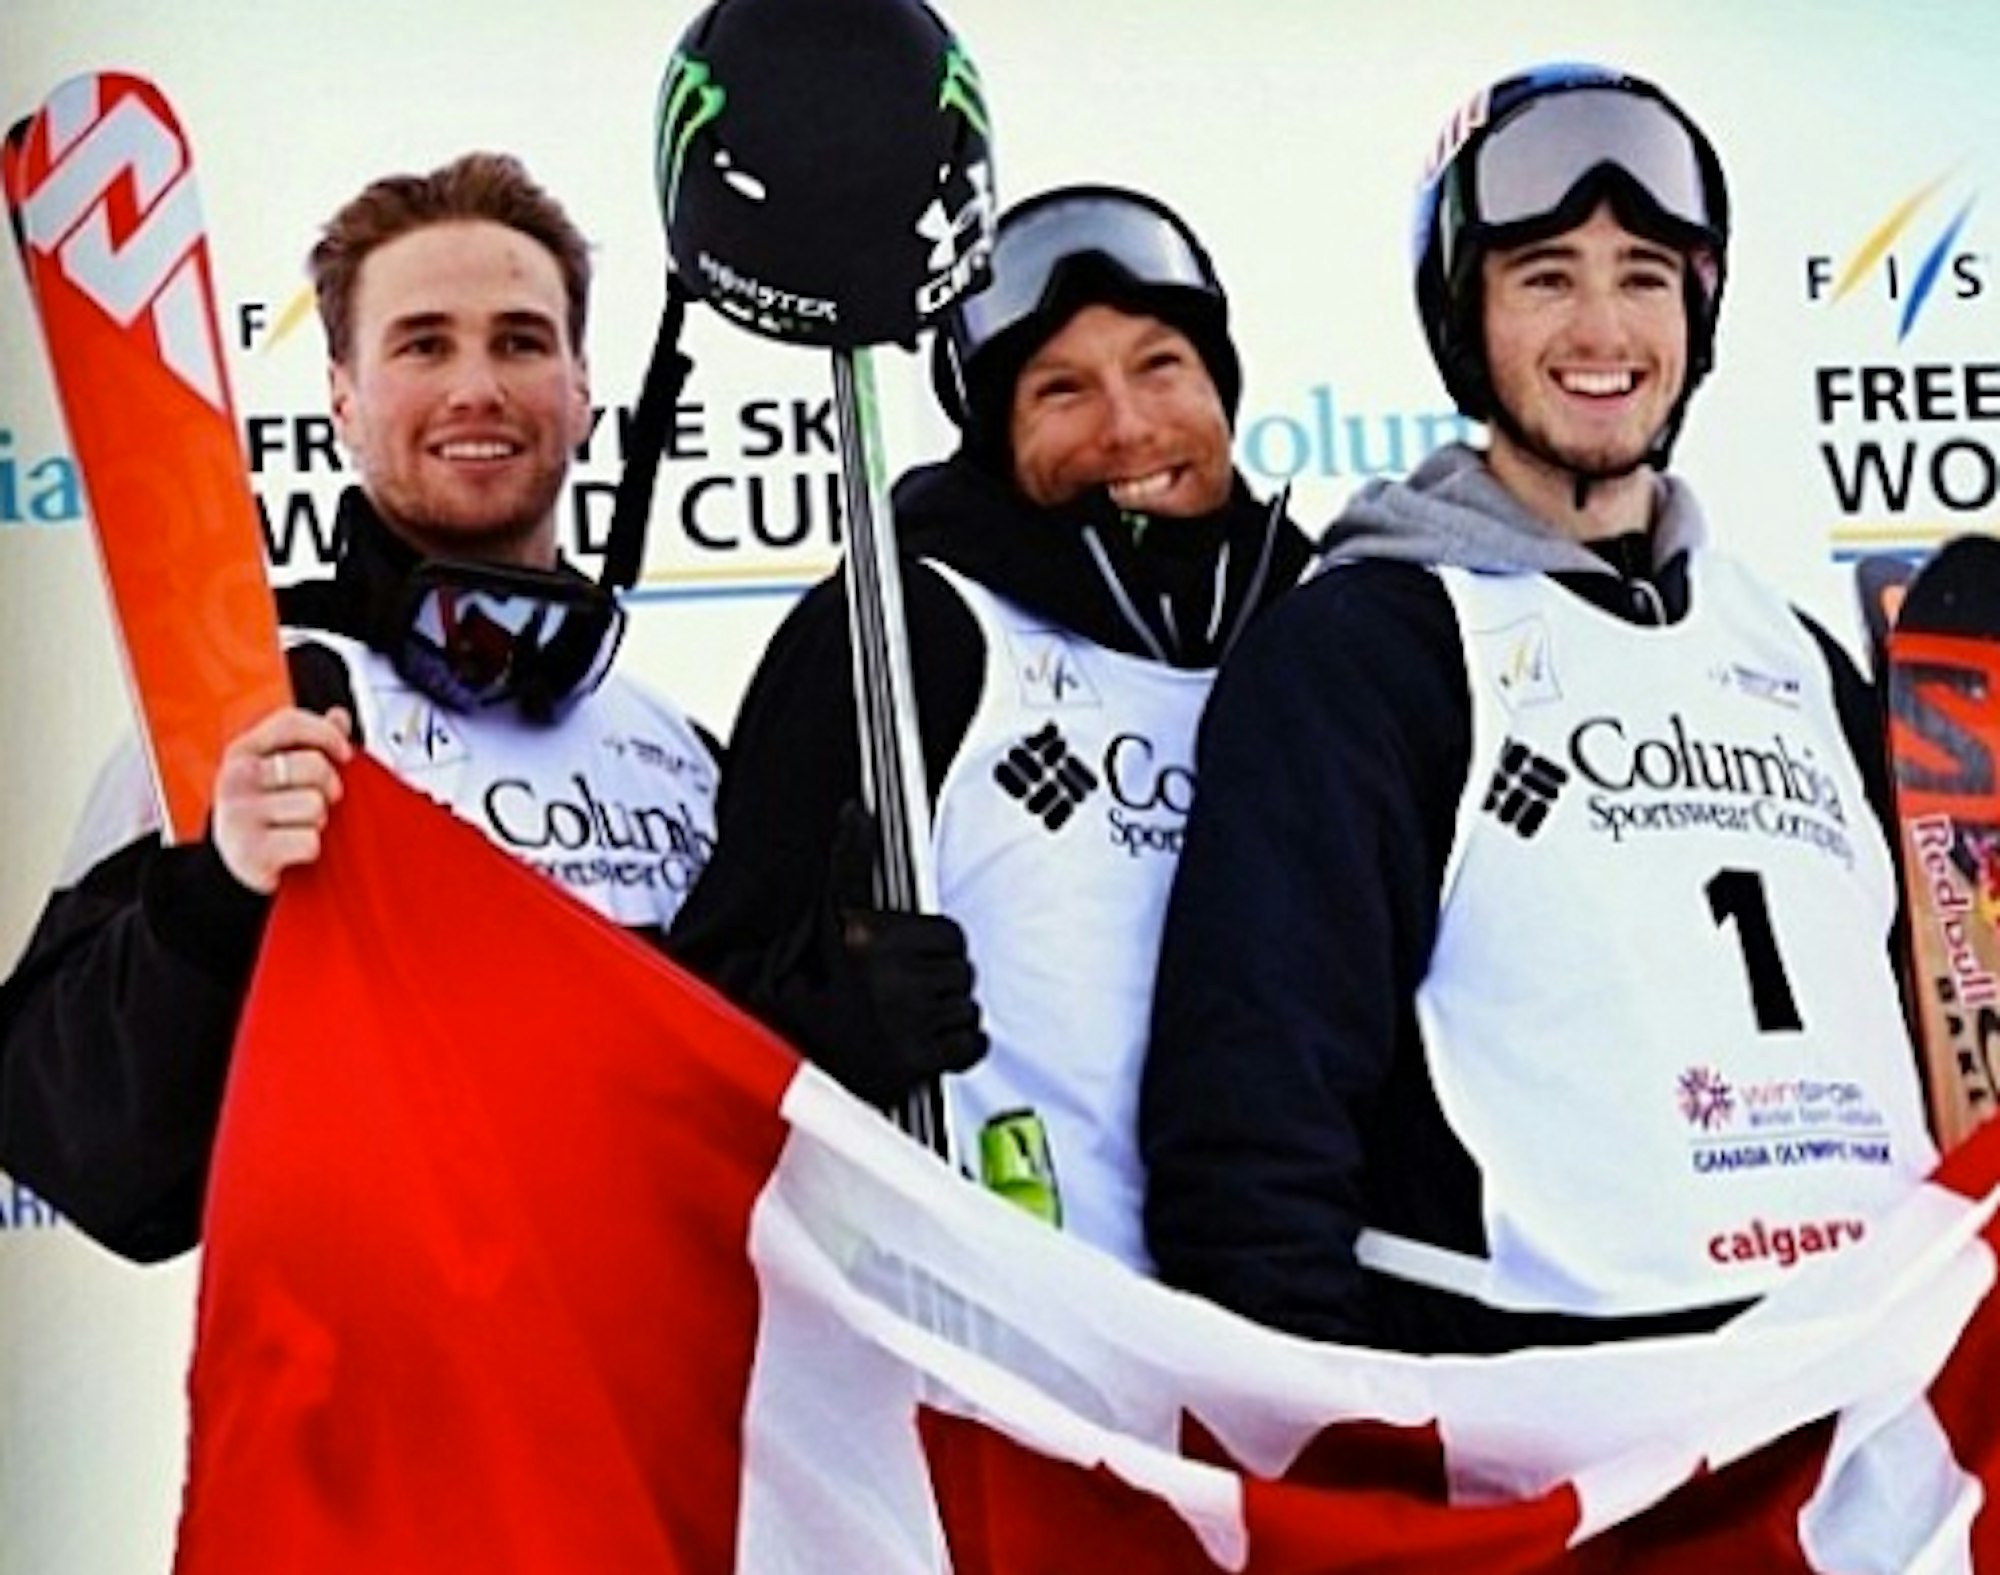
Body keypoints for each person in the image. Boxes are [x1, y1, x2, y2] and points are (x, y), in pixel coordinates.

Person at [1141, 64, 1937, 1353]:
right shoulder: (1365, 649)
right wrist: (1336, 1466)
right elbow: (1250, 1125)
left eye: (1641, 276)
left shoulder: (1794, 655)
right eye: (1545, 277)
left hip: (1845, 1422)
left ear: (1699, 307)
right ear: (1466, 318)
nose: (1601, 333)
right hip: (1538, 1438)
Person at [0, 152, 720, 1263]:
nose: (476, 386)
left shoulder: (676, 756)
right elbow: (90, 1156)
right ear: (342, 393)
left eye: (520, 341)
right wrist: (211, 898)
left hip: (661, 1422)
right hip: (376, 1421)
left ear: (582, 389)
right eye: (423, 342)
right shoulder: (255, 698)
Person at [669, 184, 1311, 1270]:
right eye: (1060, 389)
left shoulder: (1314, 622)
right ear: (993, 430)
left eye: (1160, 365)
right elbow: (704, 1005)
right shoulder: (908, 623)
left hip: (1279, 1334)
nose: (1128, 425)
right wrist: (825, 1017)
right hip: (1015, 1335)